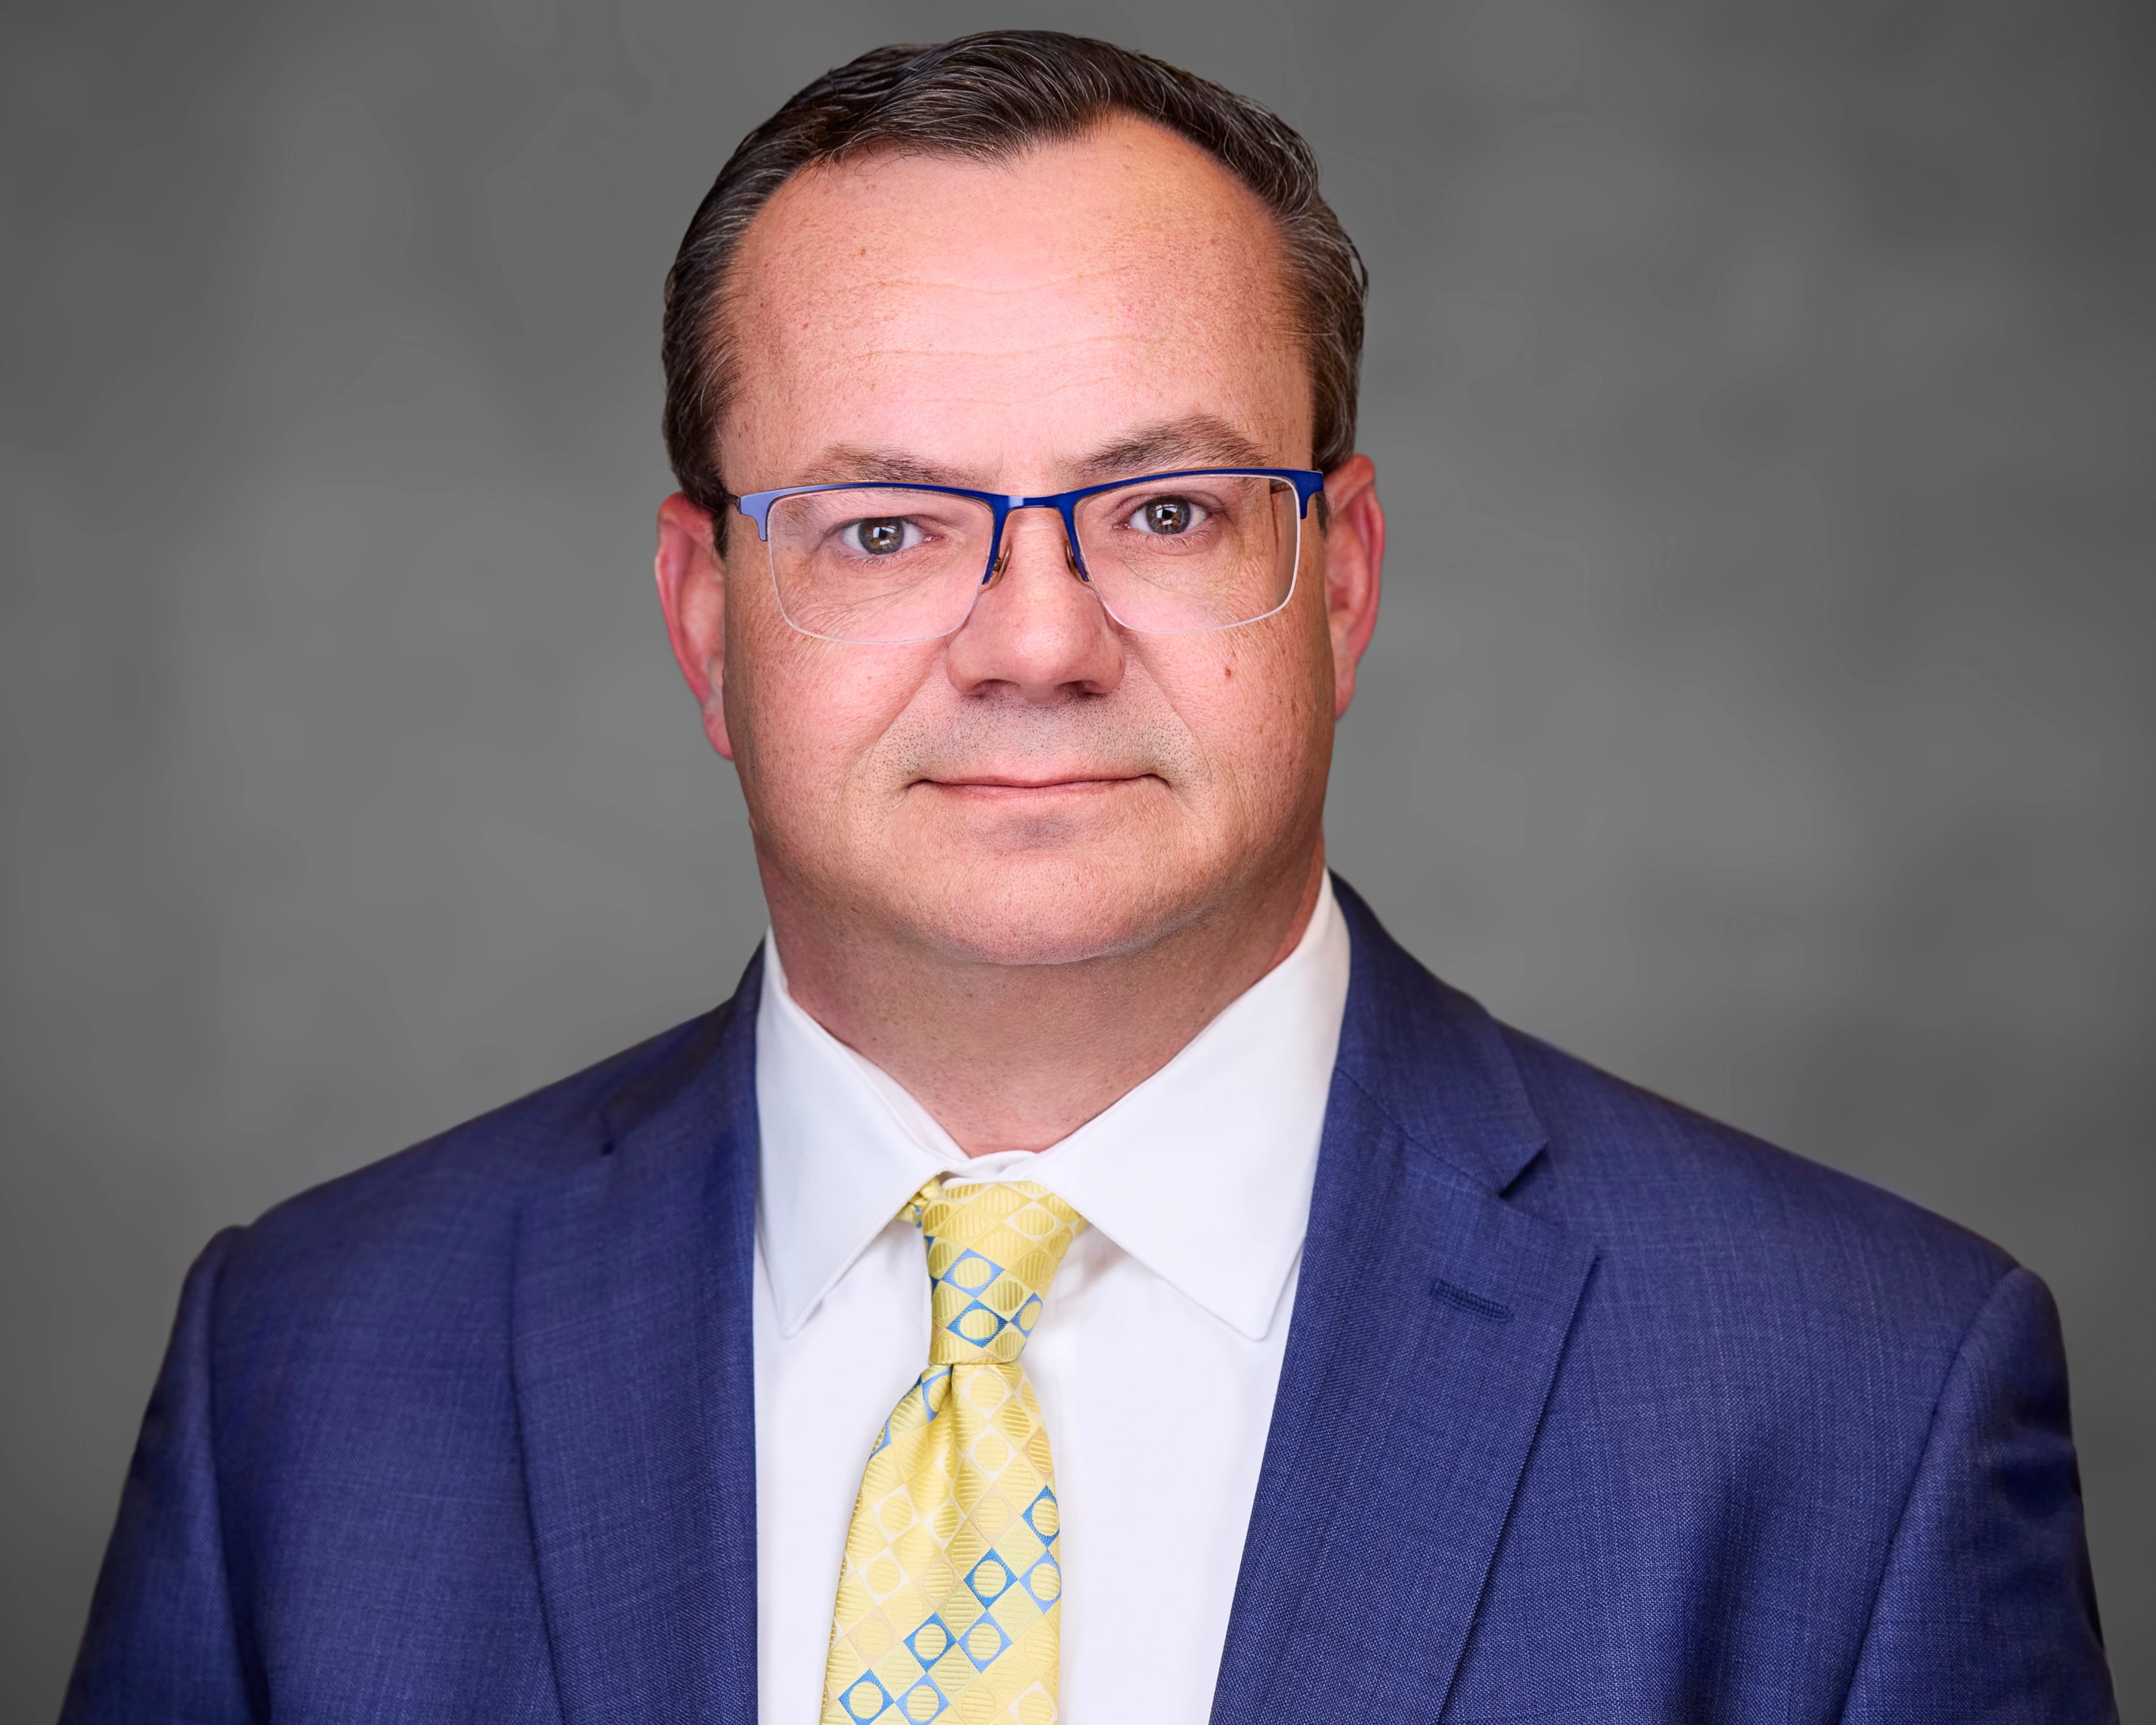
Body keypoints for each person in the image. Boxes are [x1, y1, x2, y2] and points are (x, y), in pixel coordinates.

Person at [63, 30, 2113, 1725]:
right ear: (706, 615)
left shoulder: (1856, 1406)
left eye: (1164, 509)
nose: (1032, 640)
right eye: (880, 526)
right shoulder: (305, 1378)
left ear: (1342, 583)